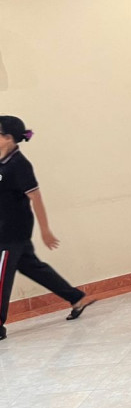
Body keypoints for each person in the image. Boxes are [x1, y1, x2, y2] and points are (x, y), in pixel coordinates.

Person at [0, 116, 96, 339]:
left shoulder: (19, 165)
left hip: (11, 232)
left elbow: (36, 198)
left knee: (1, 276)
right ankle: (77, 298)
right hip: (8, 230)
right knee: (33, 267)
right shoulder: (3, 161)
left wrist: (45, 230)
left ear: (8, 138)